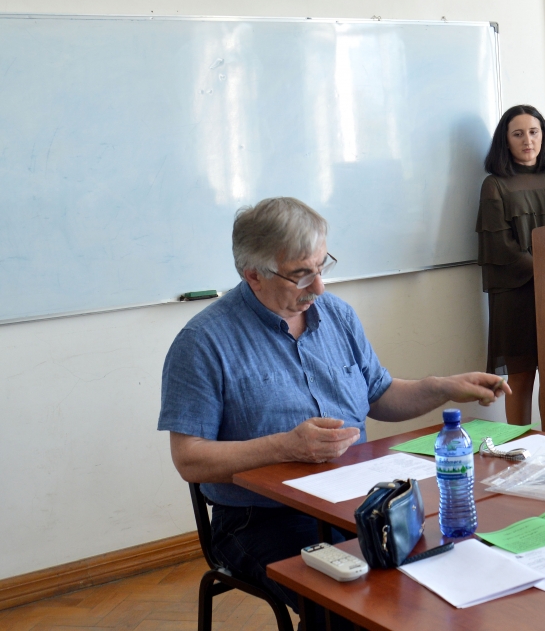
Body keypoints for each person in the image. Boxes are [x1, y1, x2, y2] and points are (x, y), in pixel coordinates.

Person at [158, 197, 510, 627]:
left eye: (322, 267)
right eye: (301, 275)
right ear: (253, 274)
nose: (319, 288)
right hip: (263, 517)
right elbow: (189, 458)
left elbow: (380, 395)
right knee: (350, 607)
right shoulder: (203, 342)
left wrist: (441, 388)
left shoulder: (337, 316)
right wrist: (285, 447)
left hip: (358, 501)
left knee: (448, 569)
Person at [476, 105, 545, 425]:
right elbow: (500, 247)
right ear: (505, 141)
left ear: (543, 136)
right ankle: (518, 449)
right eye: (518, 134)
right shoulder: (495, 184)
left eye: (533, 132)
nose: (527, 140)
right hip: (516, 296)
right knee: (520, 379)